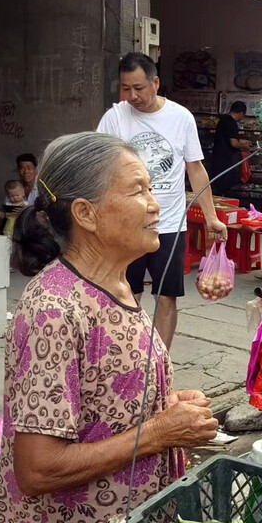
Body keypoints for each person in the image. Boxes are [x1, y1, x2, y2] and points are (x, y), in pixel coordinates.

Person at [0, 132, 219, 523]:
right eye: (138, 190)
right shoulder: (52, 309)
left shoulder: (115, 285)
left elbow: (107, 399)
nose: (155, 203)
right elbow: (38, 468)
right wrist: (159, 431)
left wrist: (167, 407)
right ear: (87, 214)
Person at [97, 52, 227, 350]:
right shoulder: (115, 117)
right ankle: (127, 356)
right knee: (125, 292)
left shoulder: (180, 118)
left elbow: (195, 168)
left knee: (166, 295)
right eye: (126, 88)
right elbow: (98, 166)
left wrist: (211, 217)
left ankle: (160, 362)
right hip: (126, 224)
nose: (132, 96)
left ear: (155, 82)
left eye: (139, 87)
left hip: (168, 224)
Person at [210, 100, 251, 201]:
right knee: (225, 188)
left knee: (217, 187)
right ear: (241, 113)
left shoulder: (223, 120)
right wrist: (245, 147)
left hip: (217, 158)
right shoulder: (232, 123)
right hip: (226, 161)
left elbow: (228, 138)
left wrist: (242, 141)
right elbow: (234, 143)